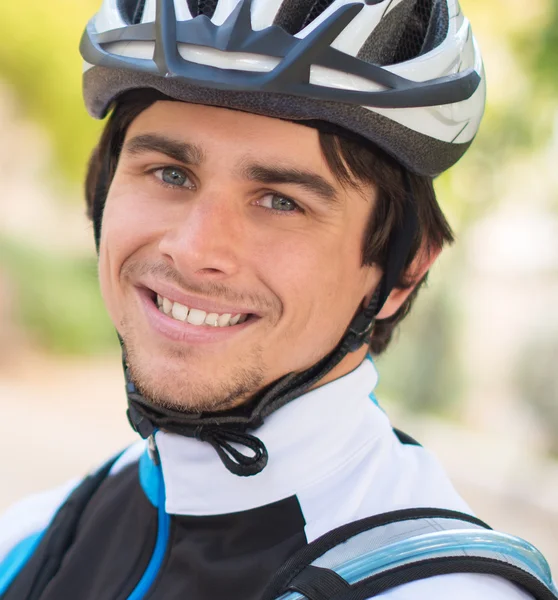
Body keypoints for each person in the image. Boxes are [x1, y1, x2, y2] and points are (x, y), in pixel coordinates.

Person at [0, 1, 556, 599]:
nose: (193, 250)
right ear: (104, 191)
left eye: (280, 201)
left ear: (402, 272)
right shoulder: (33, 536)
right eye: (169, 174)